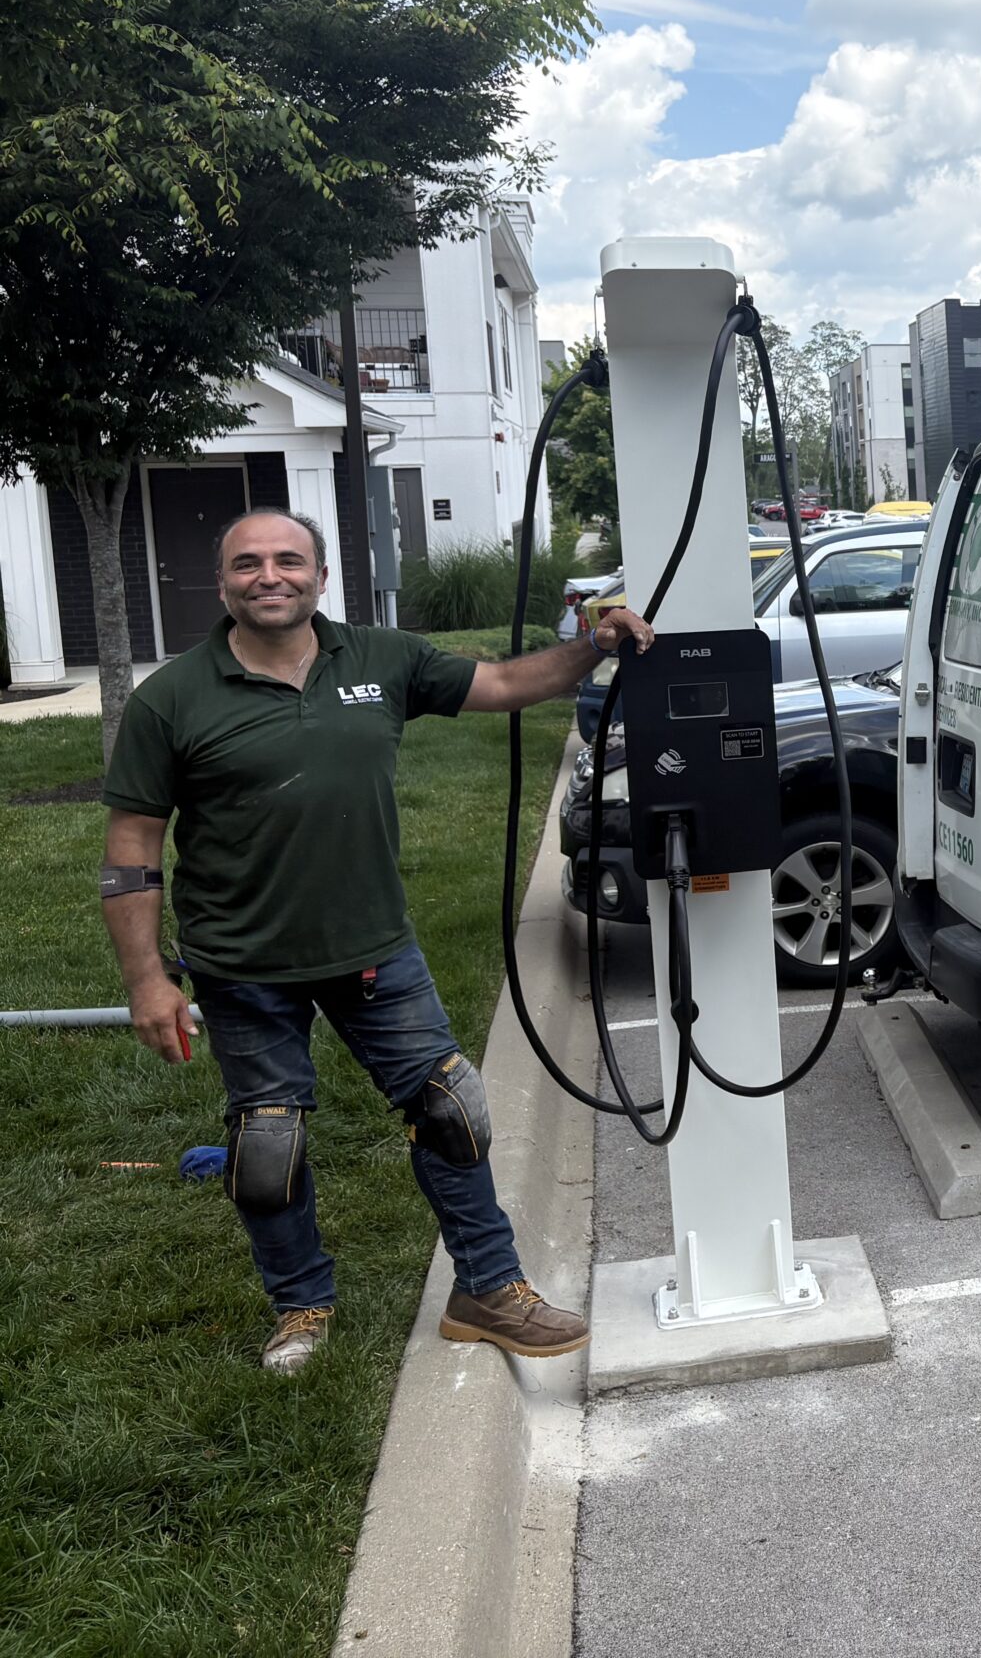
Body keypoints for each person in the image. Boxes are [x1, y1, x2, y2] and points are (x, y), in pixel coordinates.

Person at [100, 507, 653, 1374]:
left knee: (449, 1111)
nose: (269, 576)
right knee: (267, 1143)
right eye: (248, 564)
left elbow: (506, 685)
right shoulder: (172, 698)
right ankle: (300, 1309)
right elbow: (132, 845)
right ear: (223, 584)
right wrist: (146, 980)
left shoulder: (381, 659)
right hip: (242, 965)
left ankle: (489, 1290)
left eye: (290, 561)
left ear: (321, 578)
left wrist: (596, 645)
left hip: (373, 949)